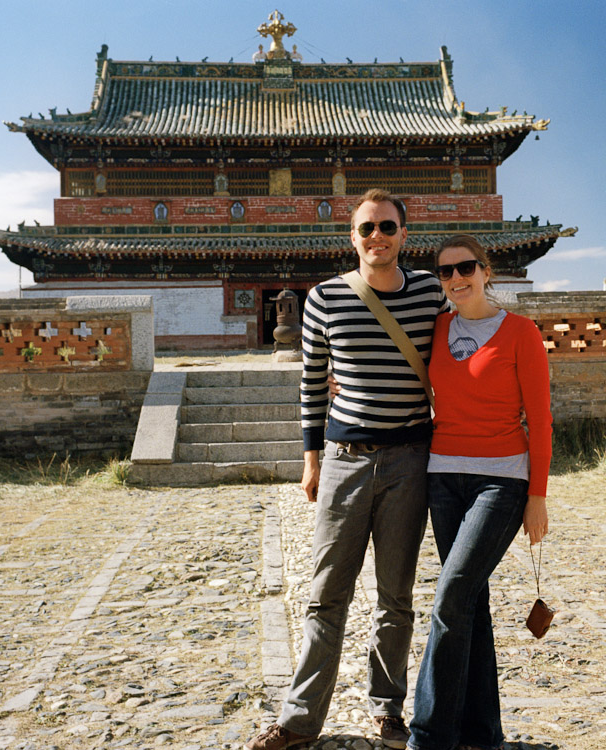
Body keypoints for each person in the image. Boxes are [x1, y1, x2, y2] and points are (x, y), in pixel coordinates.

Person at [246, 189, 447, 750]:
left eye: (387, 227)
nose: (376, 237)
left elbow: (460, 356)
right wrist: (311, 462)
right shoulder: (324, 298)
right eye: (366, 229)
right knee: (325, 595)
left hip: (410, 459)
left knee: (396, 598)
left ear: (405, 235)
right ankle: (299, 719)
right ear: (351, 237)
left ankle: (388, 710)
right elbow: (312, 384)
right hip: (344, 460)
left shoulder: (431, 293)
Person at [408, 234, 552, 750]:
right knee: (470, 602)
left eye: (466, 268)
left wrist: (537, 495)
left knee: (450, 597)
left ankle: (429, 736)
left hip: (502, 480)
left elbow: (540, 419)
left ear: (487, 271)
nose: (455, 279)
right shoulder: (437, 327)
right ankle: (481, 733)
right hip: (443, 477)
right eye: (445, 272)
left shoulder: (521, 333)